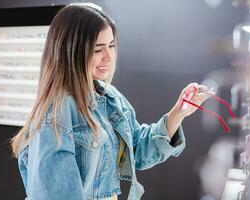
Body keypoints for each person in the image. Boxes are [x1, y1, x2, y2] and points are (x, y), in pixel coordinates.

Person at [11, 3, 212, 200]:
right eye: (98, 49)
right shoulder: (56, 114)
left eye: (111, 46)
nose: (108, 57)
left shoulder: (110, 96)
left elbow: (138, 152)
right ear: (72, 51)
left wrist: (178, 112)